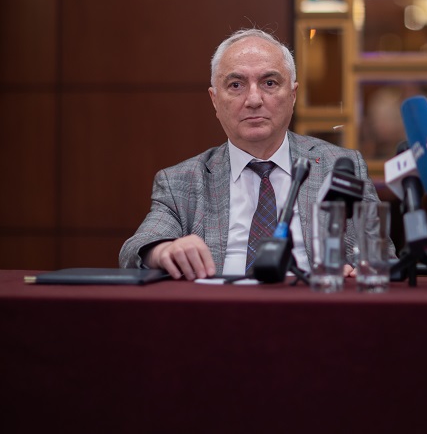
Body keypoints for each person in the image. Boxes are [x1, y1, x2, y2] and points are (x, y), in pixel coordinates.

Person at [119, 27, 394, 280]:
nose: (253, 100)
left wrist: (358, 270)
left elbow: (384, 260)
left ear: (293, 95)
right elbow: (134, 250)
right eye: (236, 85)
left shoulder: (339, 167)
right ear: (215, 100)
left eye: (269, 83)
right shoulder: (181, 182)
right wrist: (163, 251)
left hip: (314, 309)